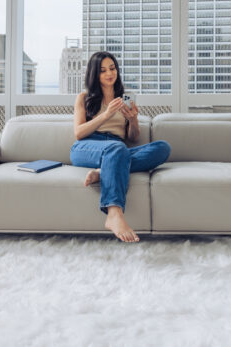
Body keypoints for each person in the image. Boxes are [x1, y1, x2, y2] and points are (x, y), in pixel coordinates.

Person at [70, 51, 171, 243]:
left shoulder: (124, 98)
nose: (109, 73)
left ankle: (102, 171)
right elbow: (79, 132)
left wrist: (133, 120)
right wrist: (106, 114)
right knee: (116, 149)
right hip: (87, 147)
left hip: (118, 149)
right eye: (103, 70)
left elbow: (132, 138)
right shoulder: (84, 98)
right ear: (94, 74)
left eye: (112, 68)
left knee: (162, 148)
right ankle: (114, 212)